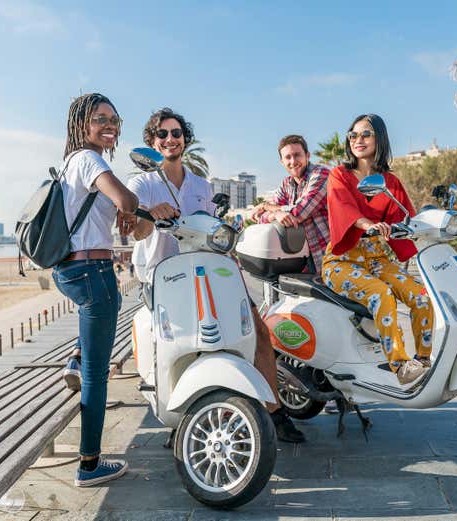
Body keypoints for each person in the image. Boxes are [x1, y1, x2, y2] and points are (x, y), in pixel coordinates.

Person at [129, 107, 305, 443]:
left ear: (185, 139)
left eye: (176, 133)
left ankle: (273, 410)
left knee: (256, 329)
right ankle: (182, 415)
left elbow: (212, 230)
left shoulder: (200, 185)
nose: (170, 139)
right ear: (152, 141)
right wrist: (151, 214)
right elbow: (136, 233)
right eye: (162, 134)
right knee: (175, 342)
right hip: (162, 278)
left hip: (204, 270)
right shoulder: (143, 182)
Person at [53, 93, 139, 487]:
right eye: (100, 118)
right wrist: (128, 205)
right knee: (97, 375)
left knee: (96, 330)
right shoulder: (90, 159)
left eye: (114, 119)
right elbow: (126, 198)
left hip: (73, 268)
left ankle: (74, 355)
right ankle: (89, 464)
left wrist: (125, 210)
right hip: (92, 270)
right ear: (81, 124)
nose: (110, 125)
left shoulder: (73, 161)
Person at [323, 114, 434, 385]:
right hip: (342, 261)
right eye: (353, 135)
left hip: (378, 259)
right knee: (382, 294)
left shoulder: (390, 182)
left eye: (366, 134)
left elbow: (405, 215)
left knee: (421, 295)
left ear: (379, 139)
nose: (358, 140)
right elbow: (343, 208)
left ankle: (422, 361)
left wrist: (428, 227)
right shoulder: (339, 174)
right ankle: (399, 365)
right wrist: (368, 224)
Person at [251, 135, 330, 274]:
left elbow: (298, 213)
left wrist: (266, 206)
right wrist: (277, 214)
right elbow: (261, 220)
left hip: (329, 256)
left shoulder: (321, 174)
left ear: (307, 155)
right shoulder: (286, 183)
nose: (293, 161)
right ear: (282, 161)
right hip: (299, 261)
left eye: (297, 155)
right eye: (288, 157)